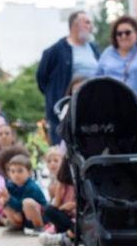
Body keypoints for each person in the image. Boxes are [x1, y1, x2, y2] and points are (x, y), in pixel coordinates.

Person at [37, 10, 100, 145]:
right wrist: (53, 96)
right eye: (87, 22)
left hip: (91, 105)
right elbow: (42, 78)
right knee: (63, 147)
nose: (91, 26)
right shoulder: (56, 50)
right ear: (75, 25)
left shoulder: (93, 48)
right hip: (66, 107)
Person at [2, 155, 47, 232]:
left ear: (29, 173)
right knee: (5, 204)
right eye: (12, 171)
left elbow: (20, 206)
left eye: (20, 171)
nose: (16, 174)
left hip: (41, 217)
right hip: (25, 217)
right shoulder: (10, 186)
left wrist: (9, 198)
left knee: (27, 203)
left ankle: (39, 226)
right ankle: (17, 225)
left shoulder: (31, 187)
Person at [40, 158, 76, 246]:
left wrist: (74, 205)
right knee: (48, 209)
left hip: (81, 218)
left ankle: (64, 236)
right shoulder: (63, 184)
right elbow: (56, 205)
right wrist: (59, 187)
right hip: (68, 218)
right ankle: (66, 235)